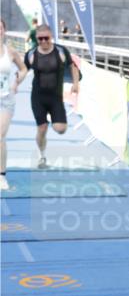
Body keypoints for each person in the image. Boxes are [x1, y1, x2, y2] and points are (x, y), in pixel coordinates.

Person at [24, 24, 78, 169]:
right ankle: (41, 156)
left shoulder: (61, 51)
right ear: (37, 38)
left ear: (51, 37)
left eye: (46, 38)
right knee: (42, 128)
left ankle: (51, 119)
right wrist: (15, 82)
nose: (43, 41)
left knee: (61, 129)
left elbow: (73, 67)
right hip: (38, 97)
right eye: (40, 39)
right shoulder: (31, 54)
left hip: (55, 98)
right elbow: (23, 70)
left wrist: (75, 83)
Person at [0, 18, 28, 191]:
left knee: (0, 136)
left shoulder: (10, 52)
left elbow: (24, 69)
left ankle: (1, 176)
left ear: (4, 30)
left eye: (0, 28)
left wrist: (16, 82)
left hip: (5, 99)